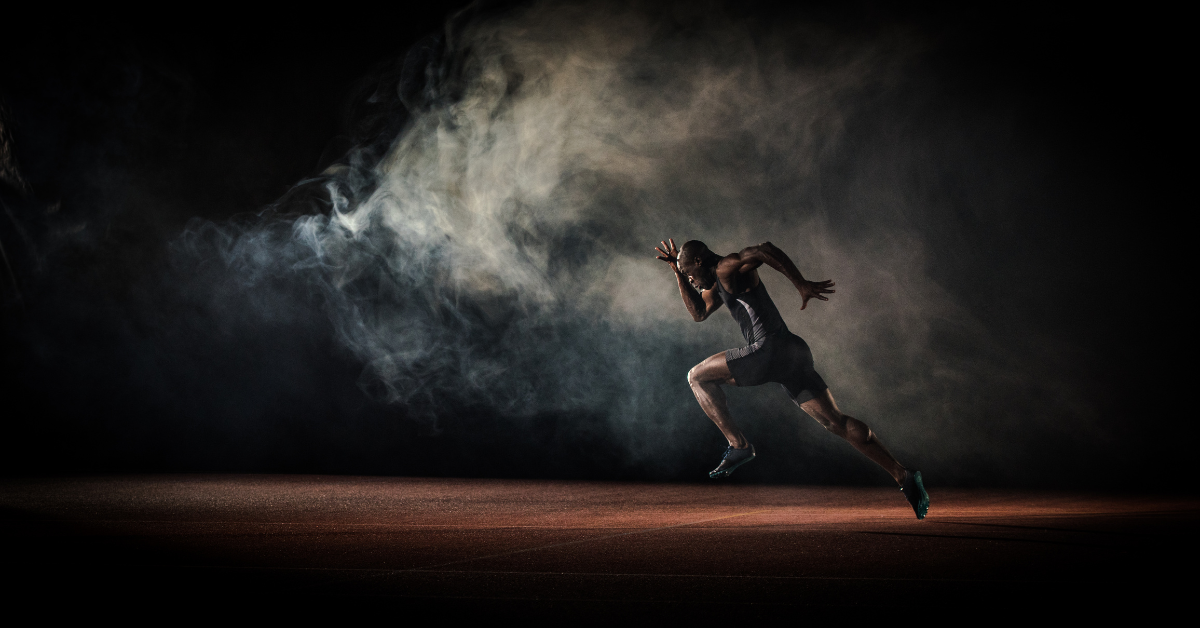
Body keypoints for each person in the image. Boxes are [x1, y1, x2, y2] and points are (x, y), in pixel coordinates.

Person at [654, 238, 929, 519]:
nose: (692, 281)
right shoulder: (717, 281)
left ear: (699, 261)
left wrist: (801, 284)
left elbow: (763, 249)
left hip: (768, 350)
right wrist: (677, 271)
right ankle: (903, 475)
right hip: (793, 352)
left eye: (689, 274)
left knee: (697, 377)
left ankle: (739, 446)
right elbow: (698, 313)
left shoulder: (726, 266)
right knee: (837, 422)